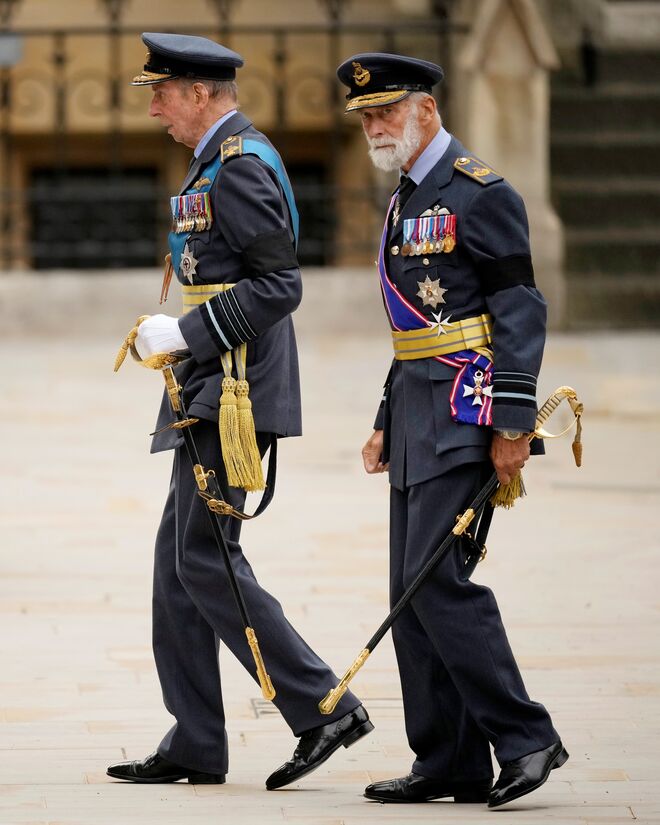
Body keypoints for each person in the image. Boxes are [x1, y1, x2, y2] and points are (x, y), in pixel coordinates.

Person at [107, 32, 372, 789]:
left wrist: (186, 330)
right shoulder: (216, 160)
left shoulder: (241, 164)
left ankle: (323, 706)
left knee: (204, 557)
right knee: (177, 565)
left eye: (162, 92)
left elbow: (280, 284)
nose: (153, 106)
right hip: (206, 381)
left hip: (233, 389)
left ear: (201, 93)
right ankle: (196, 739)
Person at [336, 52, 567, 809]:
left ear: (427, 111)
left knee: (437, 582)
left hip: (469, 415)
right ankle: (449, 759)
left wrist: (512, 424)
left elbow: (518, 310)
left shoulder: (480, 192)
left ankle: (527, 738)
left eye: (386, 114)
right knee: (411, 587)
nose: (375, 127)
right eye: (366, 117)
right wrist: (382, 418)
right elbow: (416, 325)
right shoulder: (407, 194)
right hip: (415, 414)